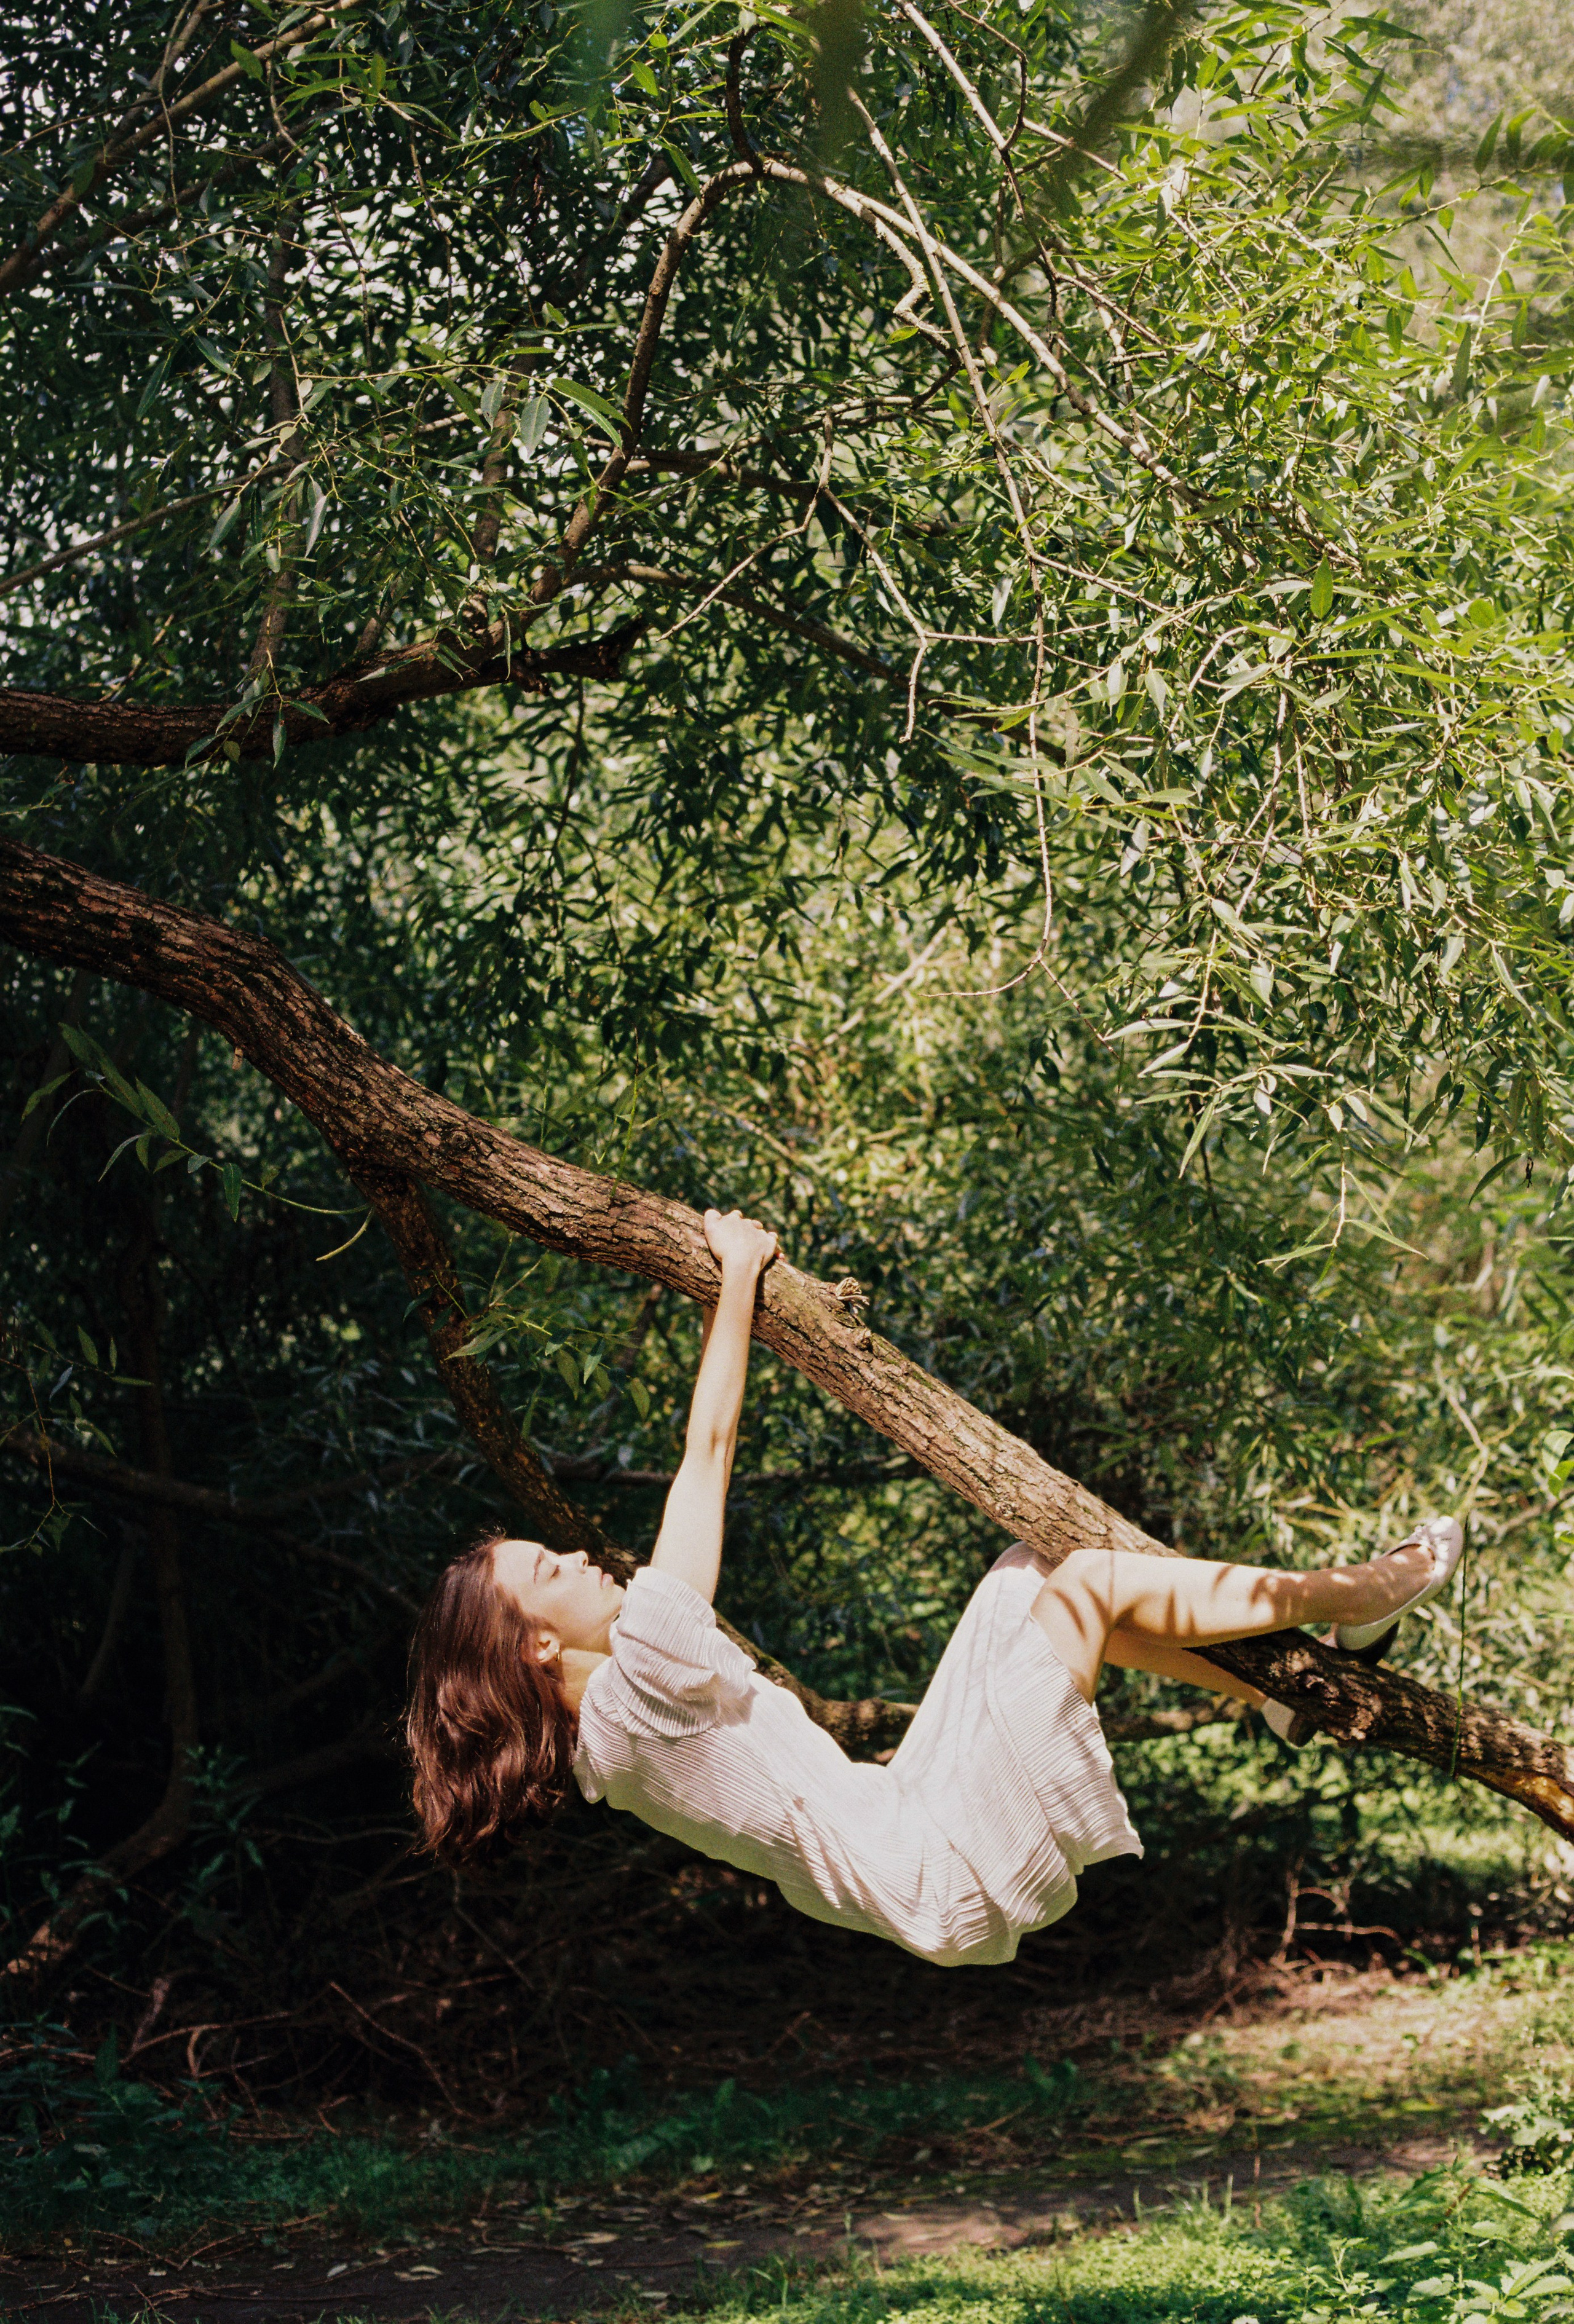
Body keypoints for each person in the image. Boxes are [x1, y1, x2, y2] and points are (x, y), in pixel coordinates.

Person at [406, 1210, 1463, 1968]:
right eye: (549, 1571)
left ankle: (1272, 1696)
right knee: (1088, 1581)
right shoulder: (639, 1682)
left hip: (911, 1814)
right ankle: (1352, 1592)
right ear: (536, 1646)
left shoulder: (612, 1741)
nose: (580, 1557)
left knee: (1025, 1578)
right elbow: (709, 1448)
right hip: (938, 1861)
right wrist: (736, 1270)